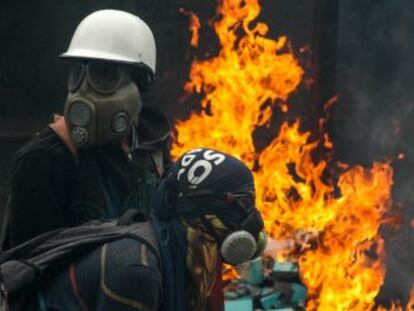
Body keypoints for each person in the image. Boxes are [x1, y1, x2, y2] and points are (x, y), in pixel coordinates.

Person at [0, 148, 267, 311]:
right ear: (202, 214)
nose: (249, 219)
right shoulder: (138, 271)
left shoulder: (169, 251)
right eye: (241, 204)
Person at [0, 10, 171, 250]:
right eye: (78, 75)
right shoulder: (43, 160)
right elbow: (30, 272)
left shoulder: (152, 148)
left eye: (104, 76)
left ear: (140, 85)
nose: (84, 91)